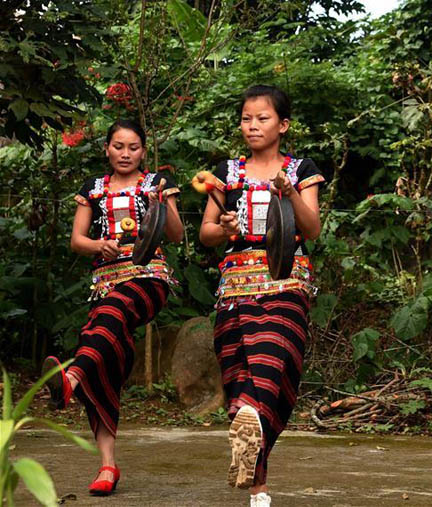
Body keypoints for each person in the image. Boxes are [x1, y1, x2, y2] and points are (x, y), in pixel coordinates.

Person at [43, 119, 183, 496]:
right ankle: (107, 466)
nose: (125, 153)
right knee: (104, 351)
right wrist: (97, 246)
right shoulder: (93, 189)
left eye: (133, 147)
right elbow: (77, 240)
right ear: (107, 149)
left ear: (143, 150)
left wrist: (162, 203)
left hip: (148, 279)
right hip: (107, 283)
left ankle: (69, 379)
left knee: (112, 316)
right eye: (118, 146)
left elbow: (176, 235)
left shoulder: (156, 185)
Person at [199, 85, 324, 507]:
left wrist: (288, 191)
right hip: (235, 285)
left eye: (263, 118)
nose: (252, 125)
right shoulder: (226, 172)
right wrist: (228, 229)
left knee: (274, 362)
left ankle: (250, 421)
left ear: (283, 125)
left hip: (286, 279)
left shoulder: (300, 169)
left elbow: (312, 229)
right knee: (239, 374)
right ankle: (259, 492)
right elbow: (207, 233)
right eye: (247, 118)